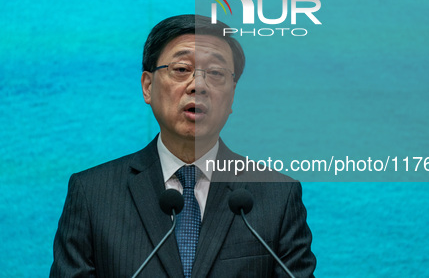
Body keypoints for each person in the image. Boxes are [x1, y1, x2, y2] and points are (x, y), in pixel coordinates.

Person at [50, 14, 316, 277]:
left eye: (215, 73)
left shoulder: (277, 196)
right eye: (181, 70)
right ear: (147, 86)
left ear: (232, 94)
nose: (198, 85)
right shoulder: (92, 194)